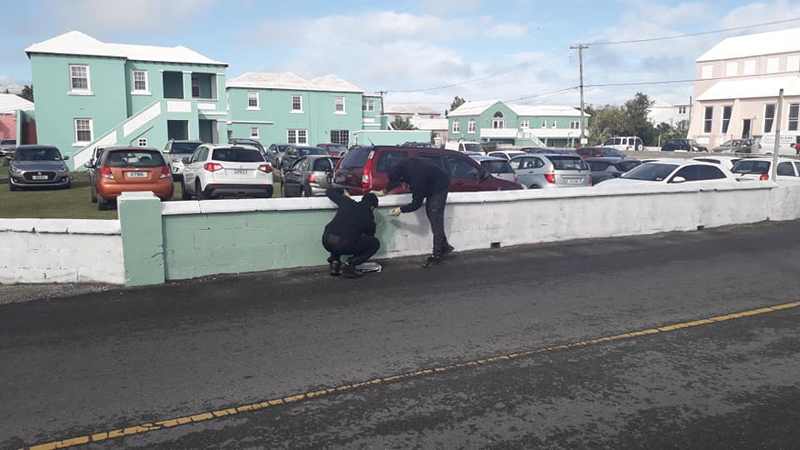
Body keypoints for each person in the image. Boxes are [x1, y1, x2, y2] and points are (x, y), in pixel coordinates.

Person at [386, 158, 454, 268]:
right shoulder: (403, 166)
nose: (402, 185)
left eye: (401, 182)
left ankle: (437, 255)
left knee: (434, 215)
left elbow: (416, 204)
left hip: (440, 185)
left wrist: (400, 210)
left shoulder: (416, 180)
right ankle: (444, 246)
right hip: (431, 182)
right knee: (430, 213)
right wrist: (385, 190)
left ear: (402, 177)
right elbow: (396, 179)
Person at [322, 188, 380, 278]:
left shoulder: (347, 202)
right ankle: (350, 265)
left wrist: (343, 191)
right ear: (372, 207)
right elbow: (369, 239)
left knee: (340, 232)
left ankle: (334, 263)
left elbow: (329, 191)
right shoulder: (369, 220)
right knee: (375, 243)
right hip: (343, 245)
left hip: (326, 239)